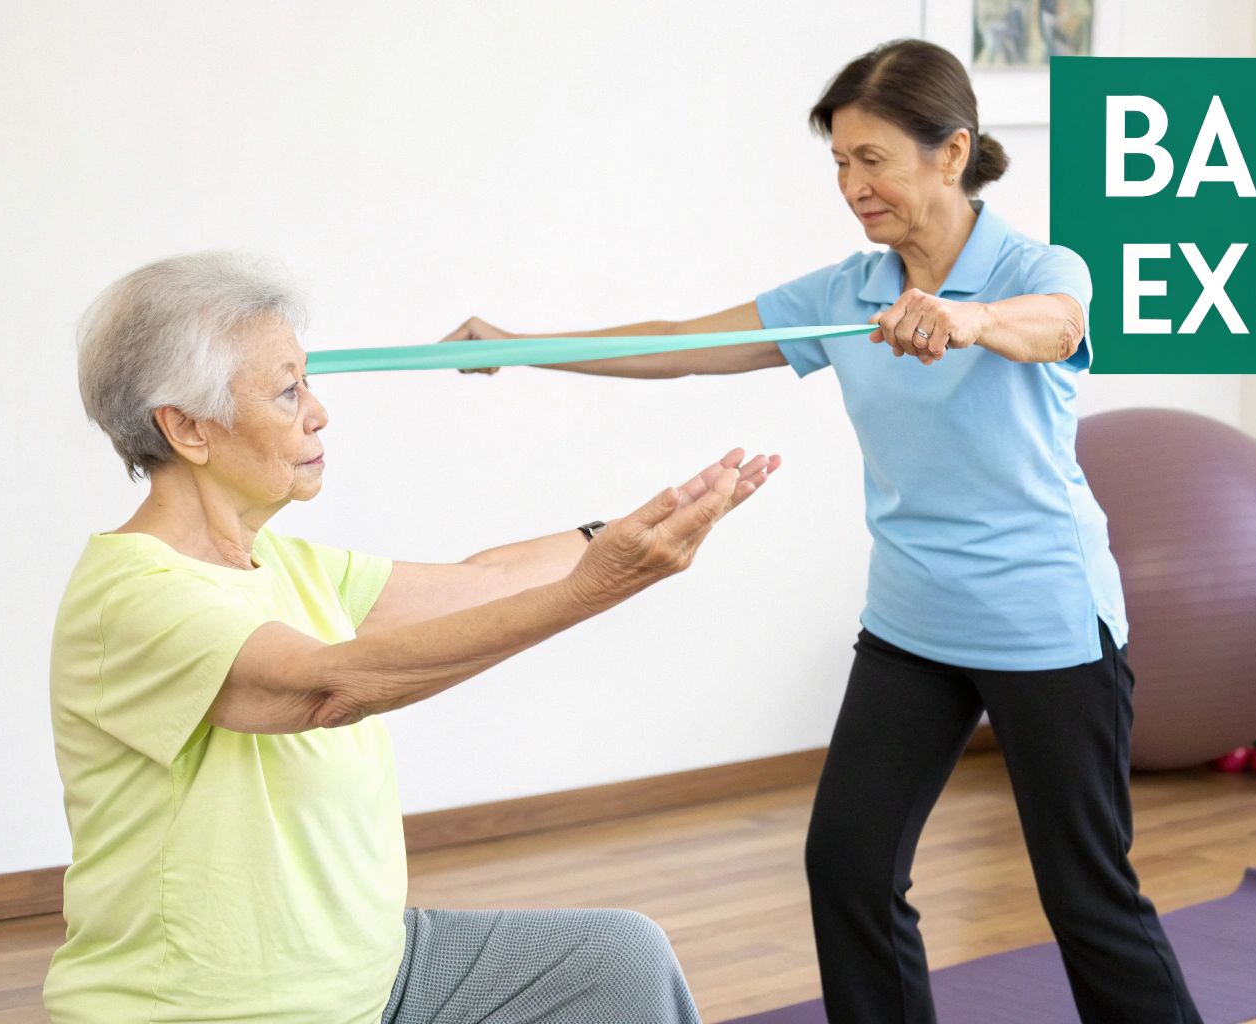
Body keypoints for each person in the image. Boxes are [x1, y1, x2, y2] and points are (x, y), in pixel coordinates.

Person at [437, 39, 1201, 1024]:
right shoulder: (845, 293)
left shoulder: (1030, 266)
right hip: (913, 622)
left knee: (1084, 893)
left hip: (1042, 620)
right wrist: (525, 348)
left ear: (951, 151)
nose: (850, 185)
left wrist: (969, 322)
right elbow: (683, 345)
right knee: (846, 862)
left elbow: (1053, 323)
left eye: (871, 159)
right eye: (838, 162)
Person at [47, 251, 777, 1023]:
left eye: (309, 379)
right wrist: (595, 588)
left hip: (374, 971)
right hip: (222, 1008)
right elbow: (327, 685)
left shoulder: (287, 565)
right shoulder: (133, 597)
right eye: (287, 390)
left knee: (617, 961)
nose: (318, 411)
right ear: (187, 428)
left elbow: (487, 581)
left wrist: (619, 534)